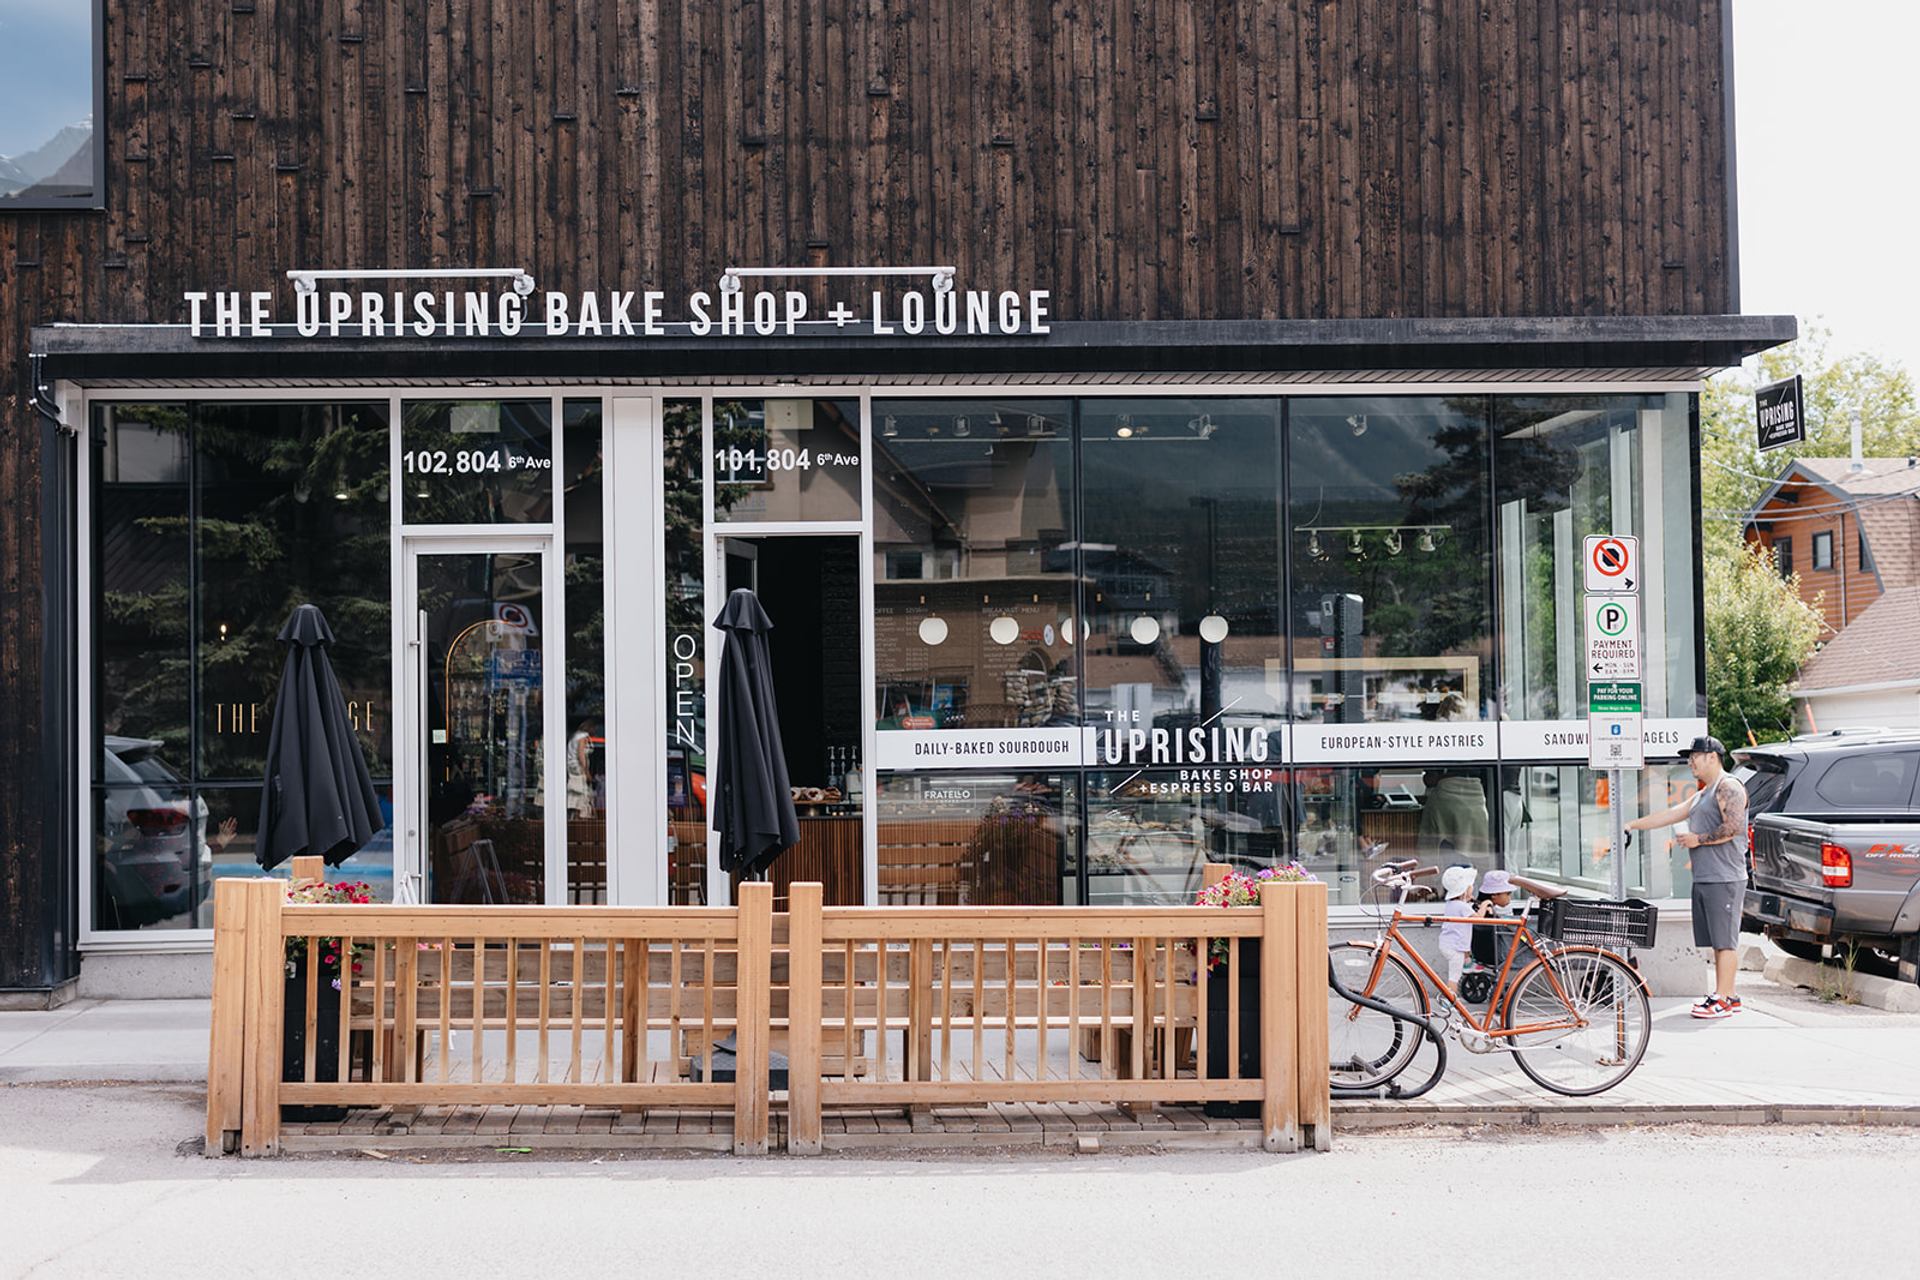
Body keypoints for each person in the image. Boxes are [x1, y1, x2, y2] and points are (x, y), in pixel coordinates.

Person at [1626, 735, 1749, 1020]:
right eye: (1689, 758)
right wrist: (1632, 824)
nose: (1690, 762)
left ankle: (1722, 1000)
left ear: (1712, 757)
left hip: (1725, 877)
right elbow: (1671, 814)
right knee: (1718, 940)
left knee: (1726, 941)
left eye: (1694, 756)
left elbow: (1734, 828)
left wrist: (1698, 839)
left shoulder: (1729, 786)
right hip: (1707, 876)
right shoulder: (1703, 793)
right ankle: (1728, 995)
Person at [1434, 864, 1479, 991]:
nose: (1472, 888)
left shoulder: (1452, 904)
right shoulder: (1462, 907)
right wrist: (1486, 904)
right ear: (1465, 890)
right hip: (1455, 948)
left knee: (1463, 949)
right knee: (1454, 976)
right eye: (1471, 886)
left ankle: (1467, 963)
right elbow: (1479, 918)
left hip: (1447, 943)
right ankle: (1450, 1000)